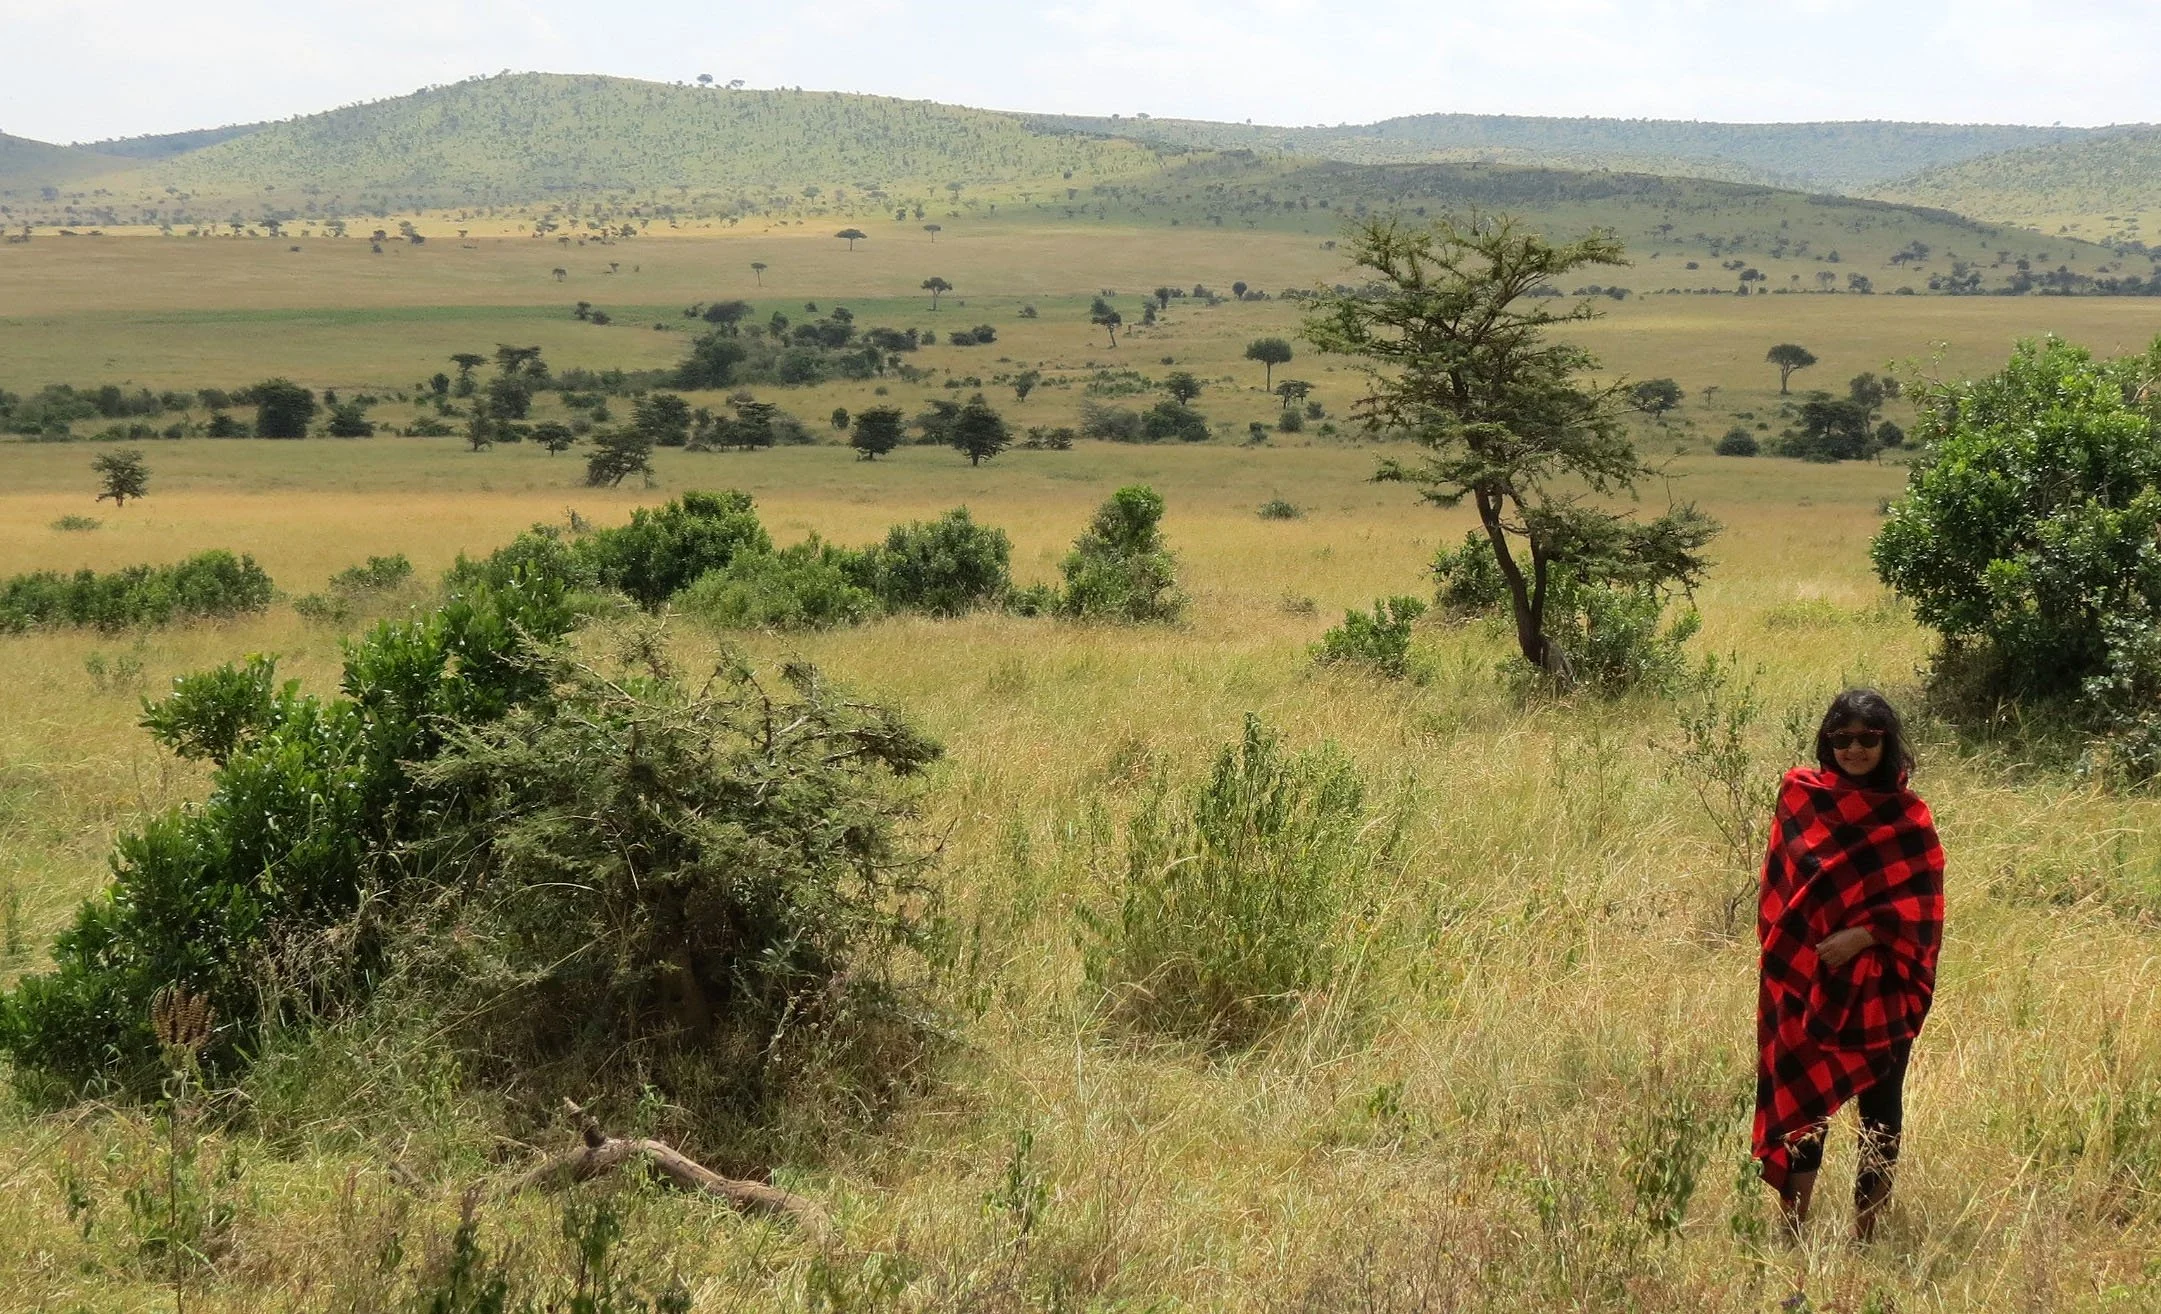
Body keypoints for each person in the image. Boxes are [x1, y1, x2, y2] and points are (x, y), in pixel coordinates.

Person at [1753, 688, 1945, 1242]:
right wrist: (1809, 951)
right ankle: (1793, 1228)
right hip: (1804, 978)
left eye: (1868, 738)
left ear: (1887, 742)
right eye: (1843, 738)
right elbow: (1782, 889)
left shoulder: (1908, 817)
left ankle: (1868, 1233)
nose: (1855, 749)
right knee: (1804, 1102)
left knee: (1880, 1106)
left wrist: (1863, 936)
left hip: (1881, 986)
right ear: (1827, 741)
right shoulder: (1800, 796)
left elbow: (1923, 911)